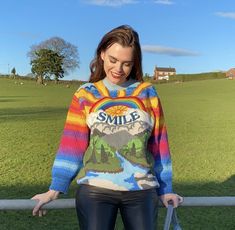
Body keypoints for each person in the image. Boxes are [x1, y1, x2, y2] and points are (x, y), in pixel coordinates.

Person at [32, 25, 183, 230]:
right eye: (113, 60)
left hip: (141, 190)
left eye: (126, 63)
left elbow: (159, 144)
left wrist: (166, 189)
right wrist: (56, 187)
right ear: (102, 54)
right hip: (95, 190)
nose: (118, 69)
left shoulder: (148, 93)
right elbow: (72, 142)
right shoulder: (85, 94)